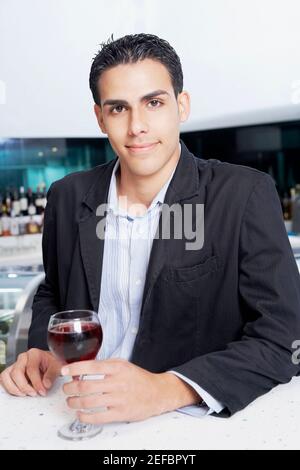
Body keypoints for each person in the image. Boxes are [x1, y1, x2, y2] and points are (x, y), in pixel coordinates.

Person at [1, 33, 300, 424]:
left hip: (186, 422)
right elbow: (53, 292)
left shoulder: (243, 195)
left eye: (154, 103)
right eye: (119, 108)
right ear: (100, 118)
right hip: (75, 410)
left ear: (182, 105)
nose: (137, 126)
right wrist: (43, 349)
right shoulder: (68, 195)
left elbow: (286, 338)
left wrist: (168, 388)